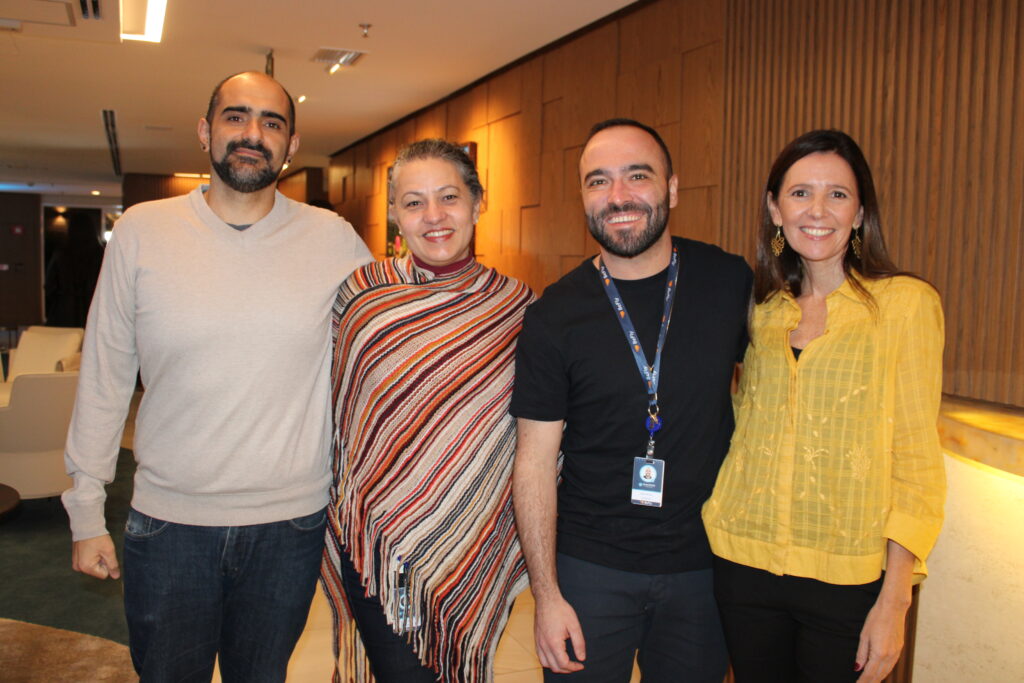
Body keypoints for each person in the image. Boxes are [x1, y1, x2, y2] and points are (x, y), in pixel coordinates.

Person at [61, 71, 372, 681]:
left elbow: (385, 345)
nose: (252, 134)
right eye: (236, 117)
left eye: (271, 123)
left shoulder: (332, 239)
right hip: (169, 527)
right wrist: (86, 512)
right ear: (206, 132)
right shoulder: (142, 233)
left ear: (291, 144)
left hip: (290, 526)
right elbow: (104, 377)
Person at [510, 118, 752, 681]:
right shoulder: (554, 316)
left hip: (705, 570)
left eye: (636, 176)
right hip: (590, 570)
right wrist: (547, 596)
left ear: (671, 188)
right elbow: (535, 462)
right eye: (598, 181)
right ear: (583, 197)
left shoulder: (728, 282)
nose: (617, 197)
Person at [702, 129, 946, 683]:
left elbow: (916, 458)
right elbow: (744, 425)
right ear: (774, 208)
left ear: (860, 213)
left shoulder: (906, 306)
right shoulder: (763, 311)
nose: (818, 210)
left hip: (850, 576)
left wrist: (895, 601)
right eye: (799, 193)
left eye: (837, 194)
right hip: (743, 562)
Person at [323, 139, 534, 682]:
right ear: (395, 212)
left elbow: (536, 434)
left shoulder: (520, 308)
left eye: (448, 197)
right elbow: (339, 419)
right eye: (414, 202)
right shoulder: (361, 298)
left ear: (477, 202)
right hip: (379, 549)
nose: (434, 216)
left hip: (475, 538)